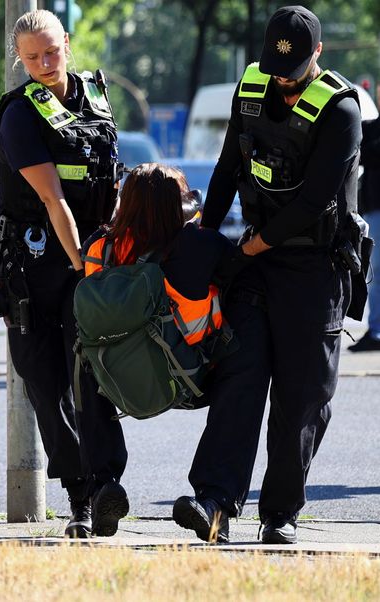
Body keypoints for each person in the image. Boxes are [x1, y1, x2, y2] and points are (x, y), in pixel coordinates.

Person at [174, 6, 363, 545]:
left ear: (317, 55)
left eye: (295, 68)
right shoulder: (251, 88)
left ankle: (278, 513)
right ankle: (213, 503)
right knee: (241, 378)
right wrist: (206, 240)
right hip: (256, 264)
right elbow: (228, 169)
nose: (283, 78)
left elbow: (313, 201)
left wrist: (251, 244)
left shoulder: (341, 109)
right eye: (276, 67)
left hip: (316, 265)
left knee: (302, 398)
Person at [0, 9, 125, 538]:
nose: (45, 64)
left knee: (94, 374)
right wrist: (83, 265)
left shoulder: (97, 97)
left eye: (51, 52)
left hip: (89, 259)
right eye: (32, 57)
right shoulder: (20, 114)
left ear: (66, 43)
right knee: (47, 387)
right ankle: (78, 496)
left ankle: (105, 486)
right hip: (37, 265)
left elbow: (109, 183)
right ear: (19, 59)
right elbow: (53, 199)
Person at [79, 164, 234, 533]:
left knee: (83, 363)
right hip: (193, 380)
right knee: (246, 365)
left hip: (116, 380)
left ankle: (103, 483)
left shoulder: (98, 247)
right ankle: (212, 499)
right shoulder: (202, 245)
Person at [348, 117, 380, 351]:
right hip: (374, 208)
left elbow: (367, 153)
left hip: (376, 209)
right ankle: (376, 329)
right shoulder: (373, 126)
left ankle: (377, 331)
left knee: (377, 273)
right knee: (375, 273)